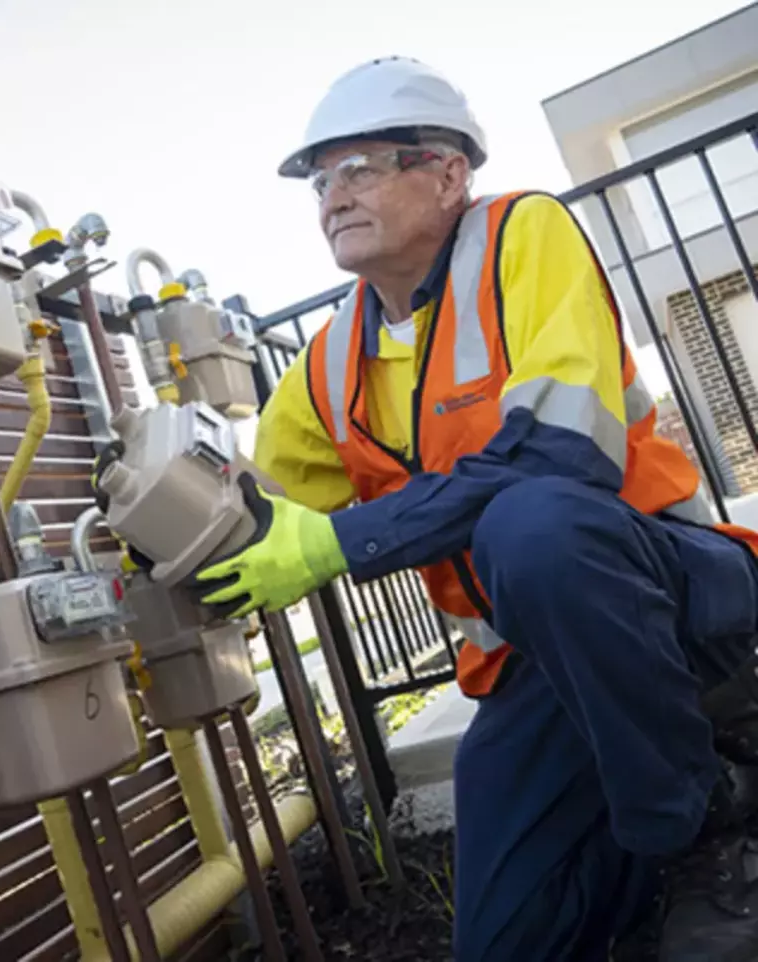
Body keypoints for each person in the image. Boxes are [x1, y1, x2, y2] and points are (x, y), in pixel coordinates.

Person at [190, 56, 758, 960]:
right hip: (537, 664)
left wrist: (343, 542)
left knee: (532, 527)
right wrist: (150, 538)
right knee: (502, 943)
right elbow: (250, 511)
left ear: (449, 173)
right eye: (320, 179)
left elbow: (559, 459)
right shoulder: (331, 365)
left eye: (361, 167)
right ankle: (647, 858)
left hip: (681, 603)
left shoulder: (523, 237)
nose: (332, 195)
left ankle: (708, 834)